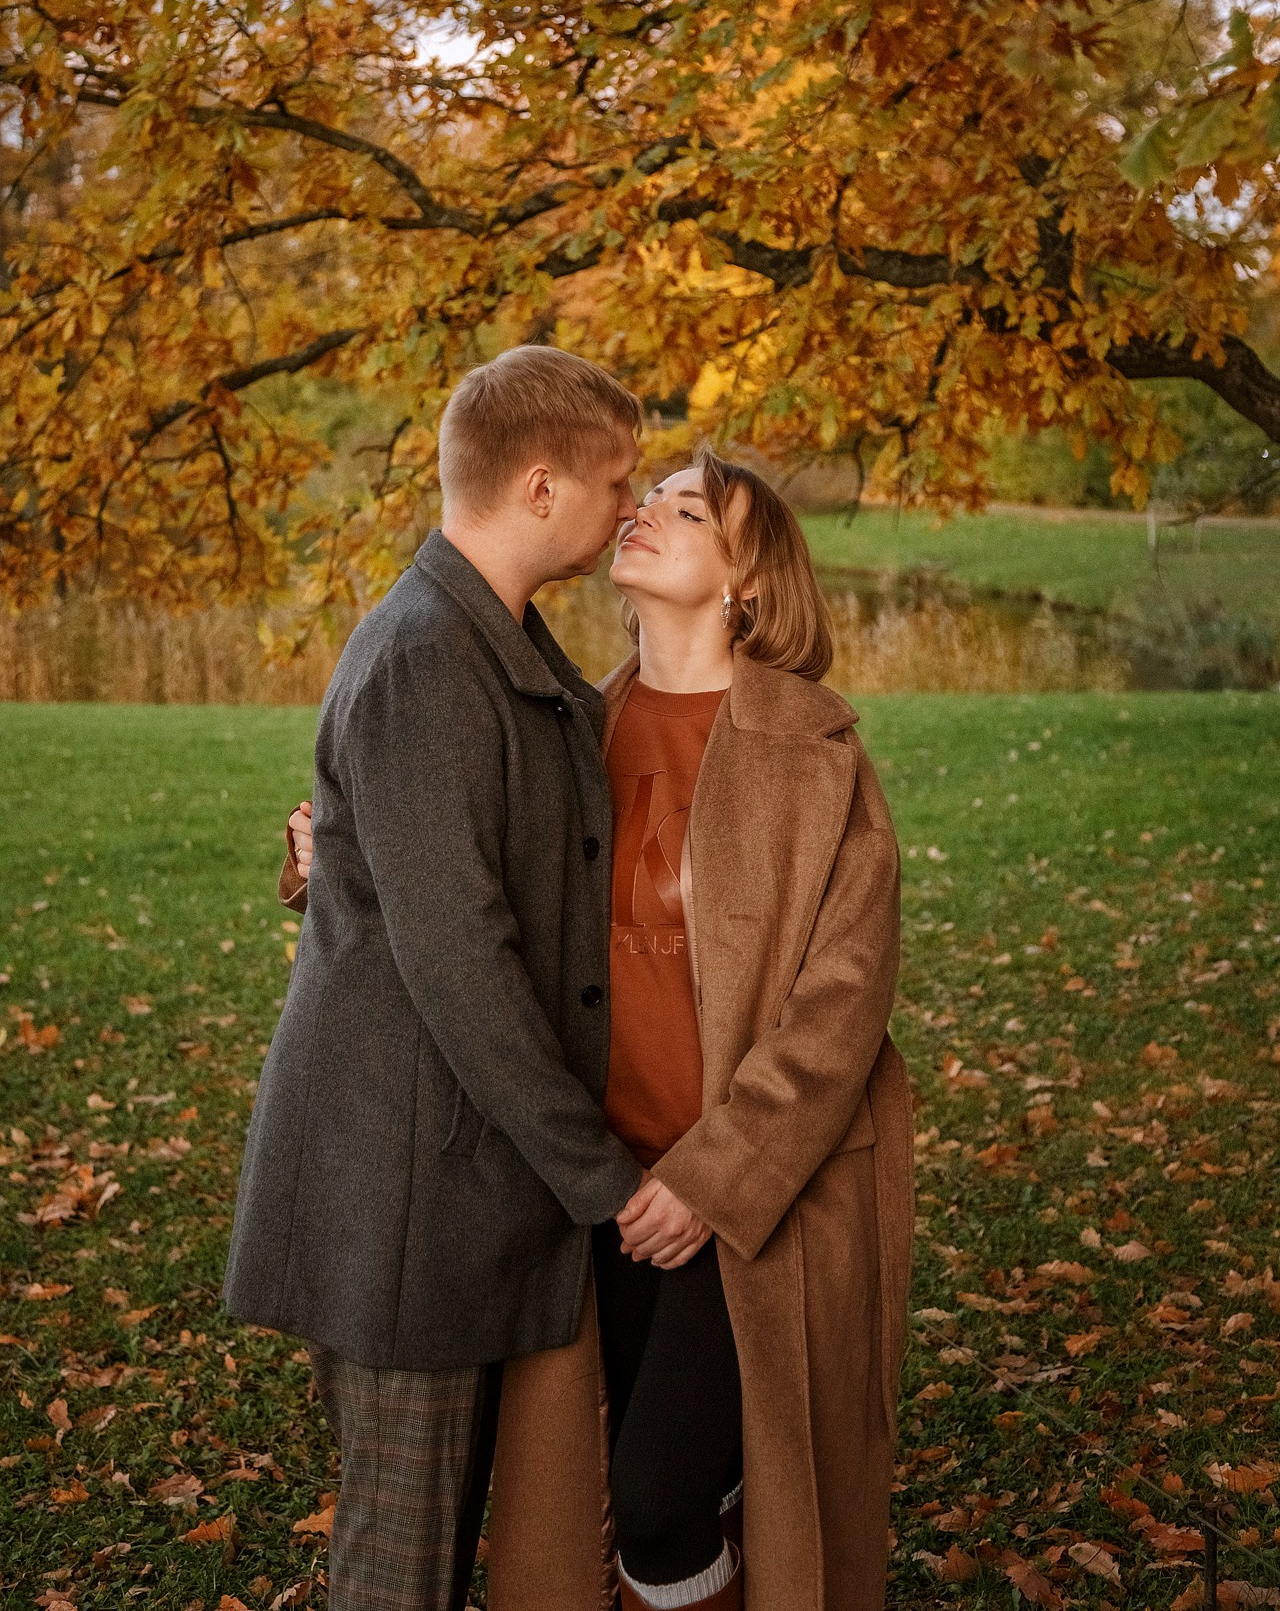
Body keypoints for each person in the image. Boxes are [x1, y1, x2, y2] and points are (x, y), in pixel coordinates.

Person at [287, 445, 913, 1611]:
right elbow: (470, 900)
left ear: (749, 584)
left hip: (747, 1198)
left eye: (687, 509)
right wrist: (347, 852)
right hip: (597, 1187)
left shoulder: (814, 751)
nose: (643, 513)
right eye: (647, 496)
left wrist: (715, 1179)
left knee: (665, 1493)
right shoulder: (566, 721)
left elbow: (844, 1000)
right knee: (604, 1510)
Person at [223, 346, 711, 1611]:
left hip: (462, 1186)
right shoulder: (426, 659)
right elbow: (462, 971)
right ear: (539, 487)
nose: (629, 508)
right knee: (402, 1568)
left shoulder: (500, 644)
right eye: (614, 483)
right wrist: (604, 1184)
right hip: (398, 1196)